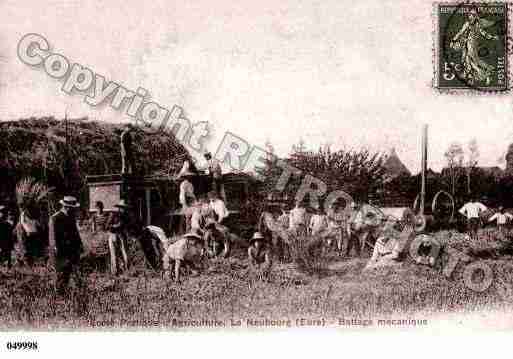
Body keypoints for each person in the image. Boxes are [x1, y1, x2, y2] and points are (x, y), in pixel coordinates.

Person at [48, 196, 85, 295]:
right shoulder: (55, 218)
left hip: (72, 250)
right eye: (73, 208)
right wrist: (56, 249)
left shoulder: (70, 217)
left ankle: (71, 293)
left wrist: (80, 245)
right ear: (67, 207)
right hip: (60, 252)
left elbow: (75, 233)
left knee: (72, 273)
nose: (74, 210)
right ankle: (59, 296)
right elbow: (53, 237)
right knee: (61, 274)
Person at [107, 199, 130, 275]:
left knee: (125, 253)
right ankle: (115, 272)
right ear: (119, 207)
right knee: (114, 254)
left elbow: (127, 226)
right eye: (122, 208)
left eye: (125, 208)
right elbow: (107, 226)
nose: (124, 209)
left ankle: (127, 271)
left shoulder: (126, 216)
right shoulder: (113, 214)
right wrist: (115, 226)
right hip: (113, 235)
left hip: (122, 235)